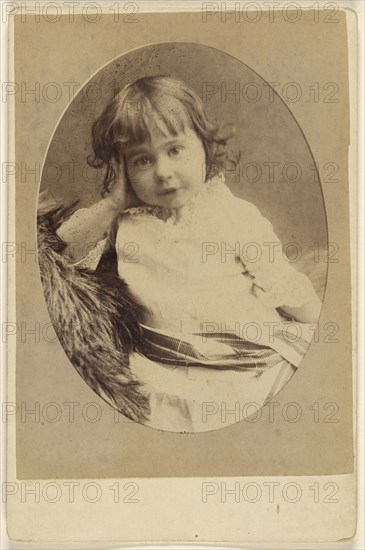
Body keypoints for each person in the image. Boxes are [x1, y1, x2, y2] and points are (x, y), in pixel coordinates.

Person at [56, 75, 322, 432]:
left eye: (175, 150)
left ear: (205, 147)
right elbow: (60, 253)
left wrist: (322, 325)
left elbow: (286, 286)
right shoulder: (125, 221)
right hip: (164, 369)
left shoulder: (233, 216)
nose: (163, 172)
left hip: (246, 366)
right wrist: (114, 202)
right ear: (122, 168)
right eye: (142, 161)